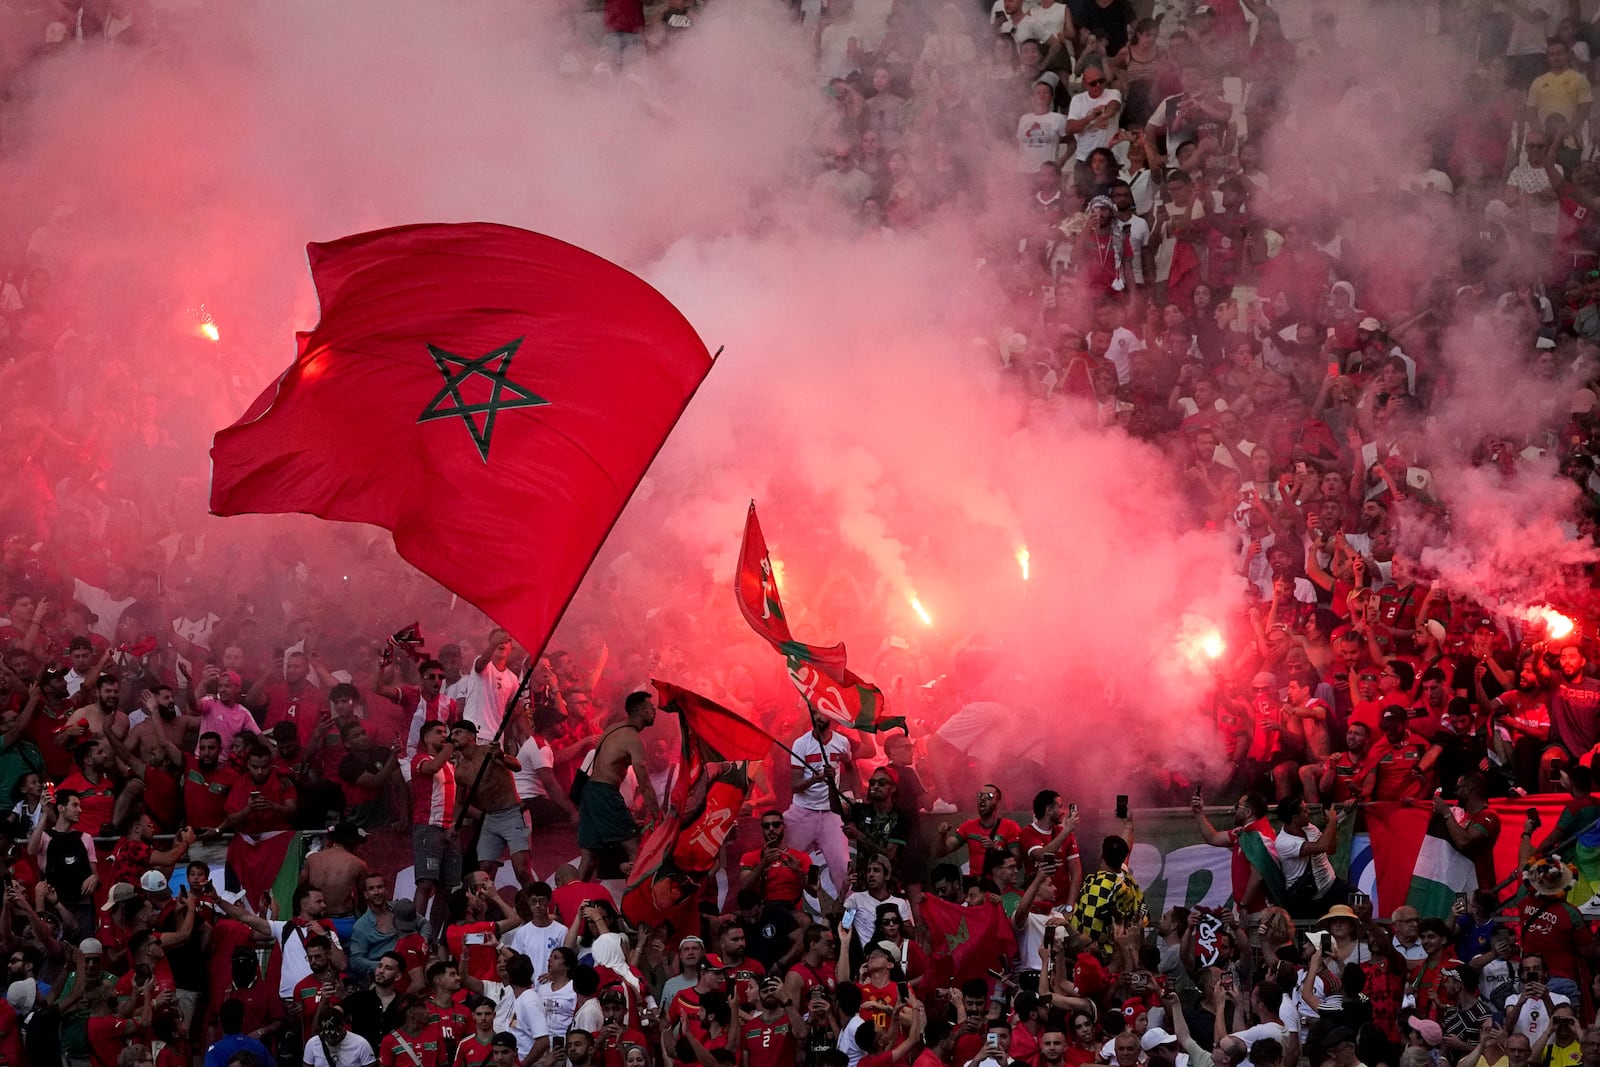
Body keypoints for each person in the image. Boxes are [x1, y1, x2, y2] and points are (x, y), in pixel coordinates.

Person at [576, 691, 660, 881]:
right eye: (651, 709)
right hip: (604, 793)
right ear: (640, 712)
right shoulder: (634, 739)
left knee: (589, 857)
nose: (654, 712)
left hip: (589, 792)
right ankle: (635, 902)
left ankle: (572, 901)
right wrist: (658, 815)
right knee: (635, 847)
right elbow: (645, 784)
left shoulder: (613, 728)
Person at [449, 721, 533, 887]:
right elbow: (459, 802)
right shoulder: (460, 771)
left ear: (472, 736)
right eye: (452, 734)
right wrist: (454, 823)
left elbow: (517, 766)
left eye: (458, 732)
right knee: (484, 872)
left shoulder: (489, 751)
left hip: (513, 813)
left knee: (522, 870)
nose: (453, 737)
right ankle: (485, 910)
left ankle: (536, 906)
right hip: (490, 819)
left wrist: (501, 755)